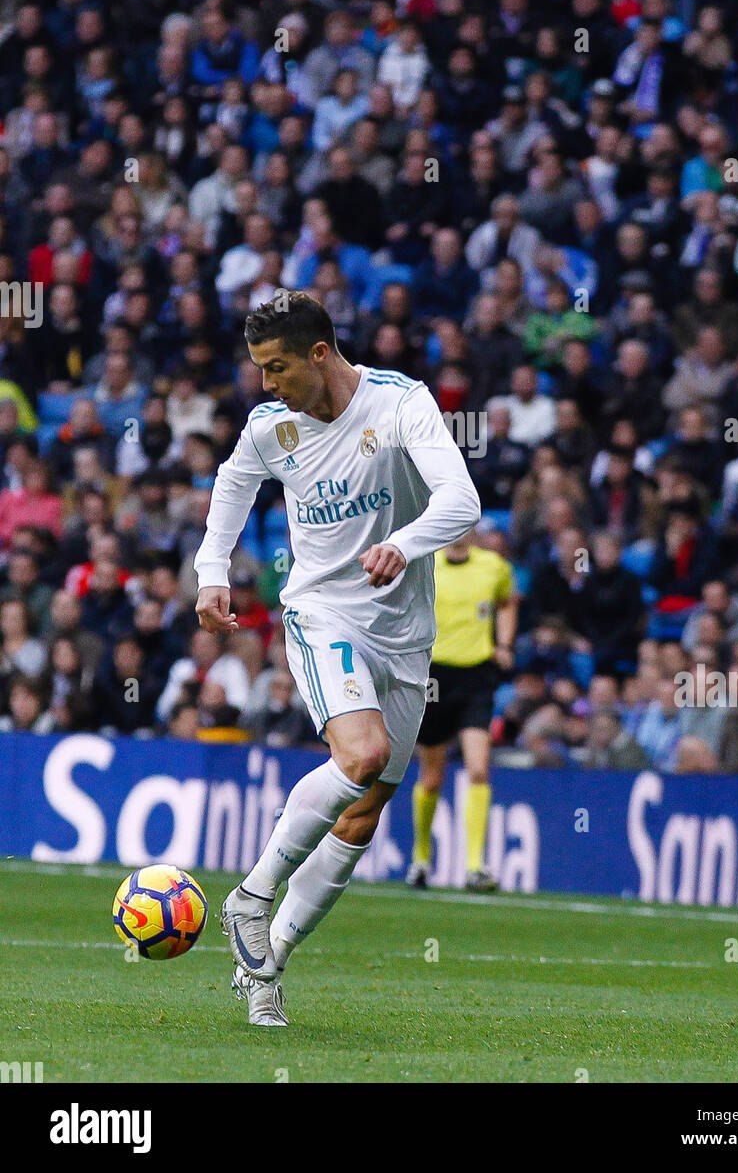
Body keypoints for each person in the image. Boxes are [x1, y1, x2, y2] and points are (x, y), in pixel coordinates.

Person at [194, 291, 481, 1025]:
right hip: (323, 612)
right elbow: (232, 485)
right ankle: (250, 898)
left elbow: (462, 499)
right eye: (260, 368)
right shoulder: (270, 427)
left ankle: (266, 967)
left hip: (406, 636)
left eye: (278, 366)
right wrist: (212, 573)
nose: (267, 383)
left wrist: (405, 542)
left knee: (362, 815)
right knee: (360, 756)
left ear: (321, 354)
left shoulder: (400, 404)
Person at [406, 528, 517, 892]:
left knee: (478, 769)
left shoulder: (493, 566)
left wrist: (504, 643)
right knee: (432, 776)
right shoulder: (427, 563)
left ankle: (474, 866)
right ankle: (421, 858)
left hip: (476, 676)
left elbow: (508, 602)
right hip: (435, 674)